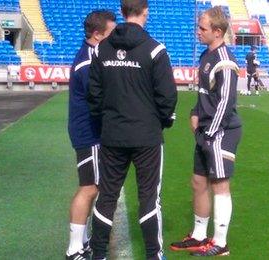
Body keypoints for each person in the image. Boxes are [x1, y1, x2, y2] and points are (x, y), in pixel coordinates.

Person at [87, 0, 178, 259]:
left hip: (113, 135)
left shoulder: (102, 49)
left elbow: (93, 95)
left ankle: (98, 254)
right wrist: (160, 122)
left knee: (107, 196)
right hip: (146, 137)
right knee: (149, 198)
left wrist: (104, 123)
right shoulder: (155, 50)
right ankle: (153, 255)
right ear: (145, 12)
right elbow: (167, 97)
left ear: (122, 11)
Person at [169, 6, 242, 257]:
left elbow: (225, 102)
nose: (197, 32)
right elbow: (204, 95)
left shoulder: (225, 61)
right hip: (205, 130)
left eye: (202, 28)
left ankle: (220, 243)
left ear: (218, 31)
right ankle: (199, 235)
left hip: (221, 132)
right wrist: (194, 112)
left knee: (220, 185)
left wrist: (210, 132)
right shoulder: (205, 56)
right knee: (198, 181)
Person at [65, 10, 116, 260]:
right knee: (89, 188)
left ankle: (82, 242)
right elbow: (99, 98)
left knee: (92, 187)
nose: (114, 37)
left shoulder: (91, 56)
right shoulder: (88, 61)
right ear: (97, 34)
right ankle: (74, 248)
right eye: (110, 33)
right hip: (89, 133)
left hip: (89, 131)